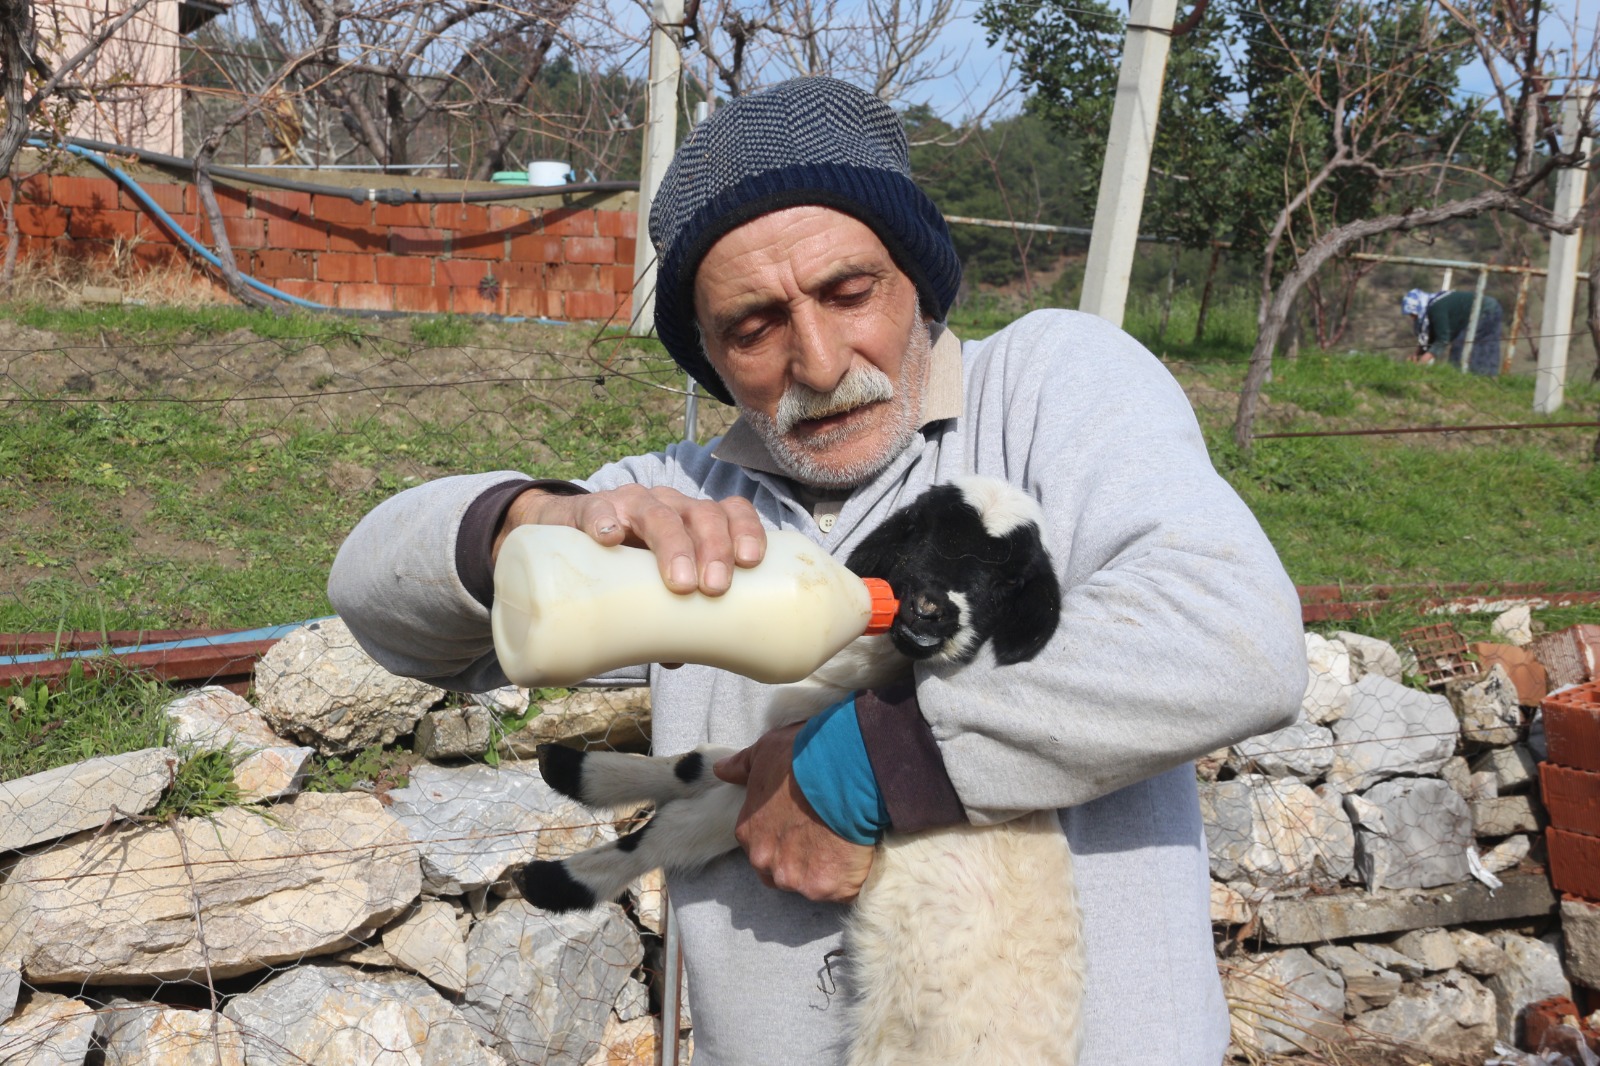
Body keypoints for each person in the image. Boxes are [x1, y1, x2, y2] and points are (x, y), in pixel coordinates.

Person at [328, 77, 1306, 1066]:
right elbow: (375, 598)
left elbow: (1234, 634)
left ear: (914, 277)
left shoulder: (1051, 388)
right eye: (753, 328)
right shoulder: (684, 508)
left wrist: (871, 763)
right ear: (706, 355)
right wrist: (524, 519)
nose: (821, 360)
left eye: (848, 293)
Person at [1402, 287, 1504, 375]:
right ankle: (1482, 378)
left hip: (1486, 310)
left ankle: (1464, 378)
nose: (1412, 317)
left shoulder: (1436, 308)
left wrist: (1425, 359)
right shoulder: (1432, 307)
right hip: (1488, 308)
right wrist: (1417, 355)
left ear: (1419, 307)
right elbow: (1432, 338)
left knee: (1462, 347)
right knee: (1482, 348)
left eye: (1413, 314)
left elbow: (1443, 339)